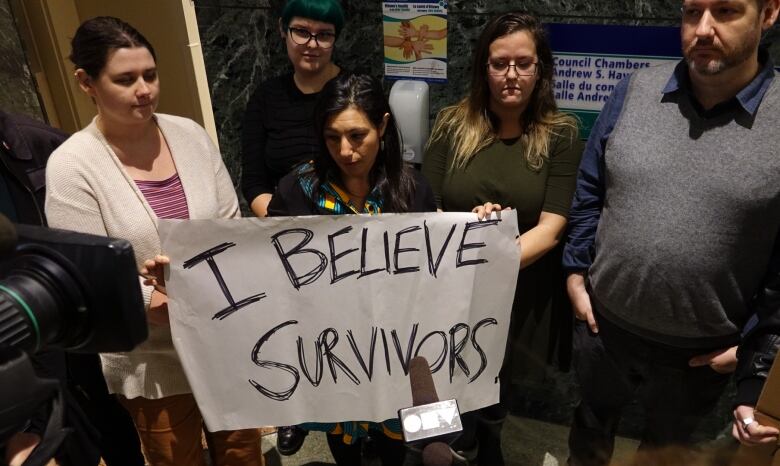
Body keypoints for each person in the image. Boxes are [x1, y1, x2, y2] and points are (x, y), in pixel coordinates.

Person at [562, 0, 780, 464]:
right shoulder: (635, 89)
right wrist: (576, 273)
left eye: (725, 10)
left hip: (701, 355)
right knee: (589, 433)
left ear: (769, 13)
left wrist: (753, 353)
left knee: (664, 452)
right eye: (690, 11)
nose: (703, 29)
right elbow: (590, 186)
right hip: (605, 328)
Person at [44, 16, 264, 466]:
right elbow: (92, 279)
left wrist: (201, 292)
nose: (144, 89)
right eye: (125, 80)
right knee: (174, 456)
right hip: (152, 356)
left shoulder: (190, 135)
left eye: (150, 74)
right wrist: (160, 299)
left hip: (224, 338)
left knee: (242, 452)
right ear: (87, 82)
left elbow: (228, 225)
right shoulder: (72, 167)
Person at [422, 12, 582, 465]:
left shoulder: (562, 133)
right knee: (440, 378)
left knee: (494, 386)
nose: (511, 74)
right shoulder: (452, 123)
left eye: (524, 63)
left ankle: (486, 448)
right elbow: (424, 204)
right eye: (499, 63)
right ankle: (442, 450)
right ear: (483, 68)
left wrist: (492, 254)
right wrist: (471, 239)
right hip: (449, 279)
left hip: (518, 287)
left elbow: (552, 227)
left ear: (540, 68)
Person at [267, 72, 436, 465]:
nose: (345, 150)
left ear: (383, 126)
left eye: (358, 135)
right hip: (328, 352)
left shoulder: (412, 190)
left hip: (394, 348)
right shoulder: (296, 190)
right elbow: (270, 271)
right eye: (332, 137)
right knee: (342, 442)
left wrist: (479, 228)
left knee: (395, 445)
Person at [241, 0, 345, 218]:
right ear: (282, 28)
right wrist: (287, 227)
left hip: (352, 224)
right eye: (301, 31)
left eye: (324, 35)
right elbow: (254, 183)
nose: (312, 44)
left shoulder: (356, 92)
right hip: (285, 227)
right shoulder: (265, 97)